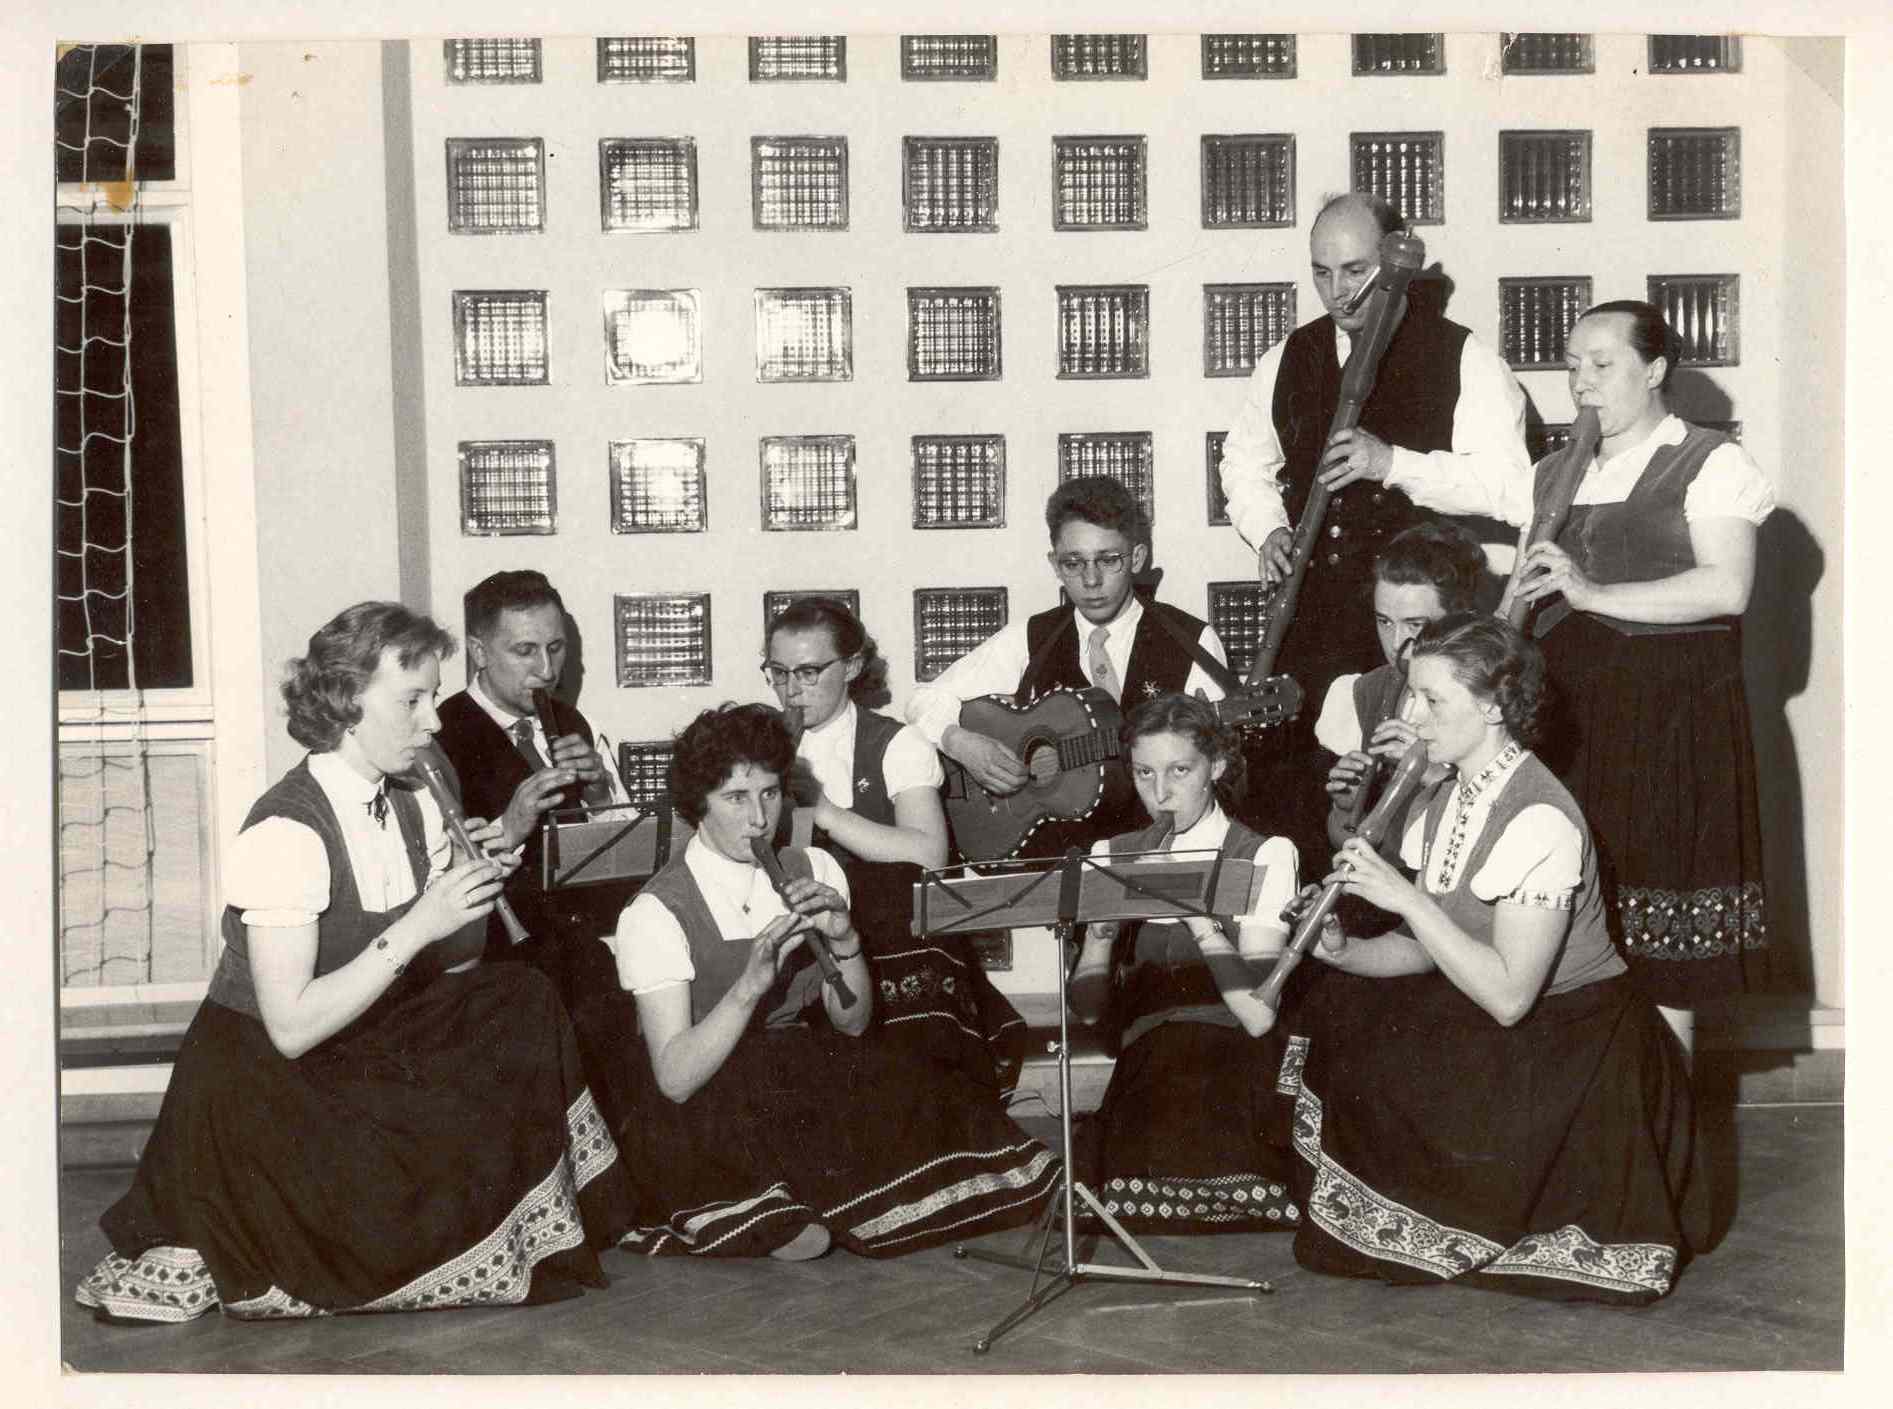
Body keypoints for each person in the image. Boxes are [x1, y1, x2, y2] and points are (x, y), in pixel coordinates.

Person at [75, 602, 639, 1323]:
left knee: (522, 994)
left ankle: (500, 1222)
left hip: (364, 1035)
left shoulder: (415, 792)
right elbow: (290, 1030)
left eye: (433, 697)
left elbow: (457, 964)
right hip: (270, 1079)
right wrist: (420, 922)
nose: (433, 721)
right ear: (346, 701)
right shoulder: (285, 833)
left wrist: (465, 900)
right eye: (412, 700)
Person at [1267, 614, 1708, 1303]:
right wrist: (1342, 949)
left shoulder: (1539, 818)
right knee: (1338, 1010)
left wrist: (1404, 897)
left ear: (1494, 707)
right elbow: (1422, 949)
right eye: (1410, 695)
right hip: (1501, 1011)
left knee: (1399, 1061)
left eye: (1431, 700)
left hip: (1574, 1044)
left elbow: (1509, 996)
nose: (1411, 717)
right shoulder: (1444, 794)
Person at [1433, 300, 1776, 1057]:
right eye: (1570, 366)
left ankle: (1667, 1123)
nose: (1580, 382)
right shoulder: (1552, 473)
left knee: (1661, 946)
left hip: (1668, 717)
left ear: (1654, 370)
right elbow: (1519, 602)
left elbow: (1727, 588)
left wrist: (1588, 593)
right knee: (1560, 927)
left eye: (1601, 364)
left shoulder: (1711, 460)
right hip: (1569, 718)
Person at [602, 704, 1059, 1259]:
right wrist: (748, 987)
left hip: (791, 1067)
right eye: (736, 798)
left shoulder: (815, 868)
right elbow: (675, 1078)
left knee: (929, 1103)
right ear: (698, 804)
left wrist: (845, 942)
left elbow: (853, 1023)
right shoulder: (655, 912)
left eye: (770, 793)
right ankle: (772, 1211)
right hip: (705, 1091)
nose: (759, 819)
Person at [1218, 191, 1529, 860]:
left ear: (1394, 263)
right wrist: (1267, 528)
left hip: (1419, 625)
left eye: (1356, 271)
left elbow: (1511, 489)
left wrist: (1391, 463)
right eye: (1321, 272)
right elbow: (1242, 461)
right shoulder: (1287, 357)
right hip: (1310, 622)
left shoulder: (1463, 355)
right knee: (1299, 792)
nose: (1338, 292)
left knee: (1413, 803)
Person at [764, 597, 1026, 1088]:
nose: (791, 690)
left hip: (886, 936)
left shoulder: (896, 742)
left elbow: (928, 855)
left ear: (852, 667)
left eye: (809, 672)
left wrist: (824, 810)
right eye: (778, 673)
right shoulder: (759, 743)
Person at [1067, 694, 1302, 1232]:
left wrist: (1194, 914)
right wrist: (1100, 936)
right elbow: (1089, 1012)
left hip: (1234, 1051)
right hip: (1149, 1055)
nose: (1160, 793)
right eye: (1144, 773)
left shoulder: (1264, 853)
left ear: (1215, 767)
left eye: (1180, 771)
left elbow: (1258, 1017)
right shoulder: (1112, 853)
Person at [905, 474, 1233, 853]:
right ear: (1055, 565)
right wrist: (960, 742)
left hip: (1162, 848)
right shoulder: (1031, 637)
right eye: (1073, 563)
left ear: (1137, 558)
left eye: (1109, 560)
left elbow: (1218, 767)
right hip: (1054, 856)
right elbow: (923, 701)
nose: (1091, 580)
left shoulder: (1191, 640)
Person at [433, 570, 630, 1013]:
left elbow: (624, 852)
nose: (547, 671)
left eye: (555, 648)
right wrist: (509, 826)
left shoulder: (578, 724)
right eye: (525, 651)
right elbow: (431, 876)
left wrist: (599, 793)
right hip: (496, 967)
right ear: (479, 652)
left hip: (585, 952)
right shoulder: (437, 737)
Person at [1315, 522, 1485, 934]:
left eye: (1415, 625)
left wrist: (1430, 775)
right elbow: (1346, 837)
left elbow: (1495, 830)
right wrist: (1346, 807)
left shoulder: (1486, 699)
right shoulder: (1369, 691)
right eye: (1384, 622)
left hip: (1462, 905)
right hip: (1384, 902)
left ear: (1459, 619)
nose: (1396, 644)